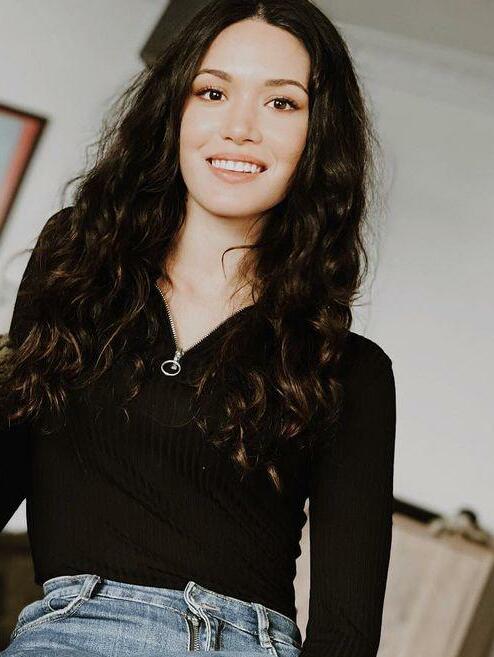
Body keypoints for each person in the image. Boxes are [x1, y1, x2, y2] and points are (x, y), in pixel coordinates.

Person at [0, 0, 397, 656]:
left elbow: (346, 634)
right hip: (70, 632)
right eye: (212, 92)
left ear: (319, 137)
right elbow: (12, 448)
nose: (240, 128)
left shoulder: (351, 369)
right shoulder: (76, 263)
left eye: (281, 103)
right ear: (174, 110)